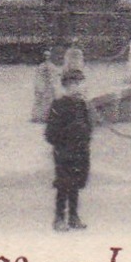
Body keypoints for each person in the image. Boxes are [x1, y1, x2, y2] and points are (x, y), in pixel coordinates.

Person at [44, 67, 93, 231]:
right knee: (63, 185)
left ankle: (73, 216)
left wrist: (85, 139)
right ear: (65, 86)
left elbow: (89, 126)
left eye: (80, 84)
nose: (78, 88)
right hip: (64, 152)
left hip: (81, 151)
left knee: (76, 185)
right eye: (73, 84)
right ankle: (59, 218)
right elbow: (50, 133)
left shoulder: (82, 105)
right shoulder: (58, 104)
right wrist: (65, 139)